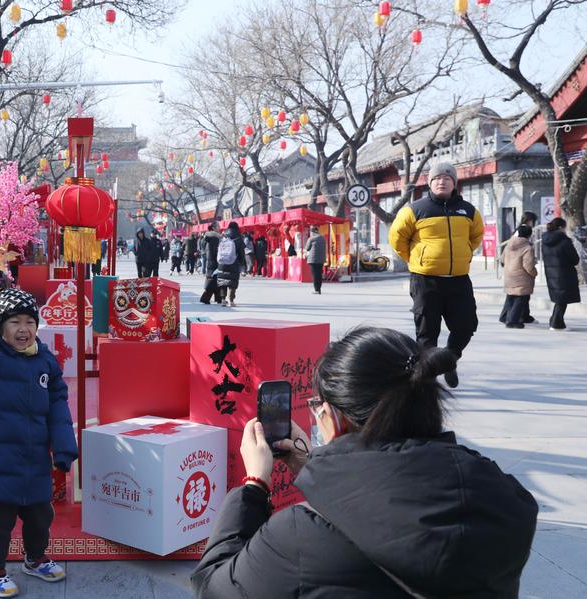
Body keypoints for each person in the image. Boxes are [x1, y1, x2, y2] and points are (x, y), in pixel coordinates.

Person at [191, 326, 538, 599]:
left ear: (334, 419)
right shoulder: (504, 499)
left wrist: (255, 486)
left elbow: (214, 586)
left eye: (318, 407)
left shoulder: (302, 536)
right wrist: (313, 468)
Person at [0, 275, 78, 598]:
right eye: (15, 322)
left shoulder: (46, 361)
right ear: (0, 327)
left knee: (40, 516)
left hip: (34, 458)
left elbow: (58, 406)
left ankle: (35, 559)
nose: (23, 329)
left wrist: (64, 448)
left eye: (29, 322)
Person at [388, 161, 483, 388]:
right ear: (430, 183)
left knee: (467, 325)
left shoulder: (468, 210)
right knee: (427, 333)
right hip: (425, 280)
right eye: (438, 178)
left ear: (454, 184)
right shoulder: (415, 209)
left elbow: (476, 235)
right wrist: (415, 259)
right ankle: (428, 378)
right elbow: (396, 238)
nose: (442, 181)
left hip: (458, 280)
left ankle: (449, 359)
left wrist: (465, 253)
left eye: (447, 178)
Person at [542, 217, 581, 330]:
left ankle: (556, 322)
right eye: (565, 227)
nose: (566, 230)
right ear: (560, 228)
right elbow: (575, 259)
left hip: (551, 274)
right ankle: (556, 324)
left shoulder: (545, 241)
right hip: (564, 274)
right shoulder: (565, 241)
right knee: (562, 300)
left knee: (560, 299)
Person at [499, 225, 537, 328]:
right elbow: (528, 266)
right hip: (521, 277)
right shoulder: (527, 247)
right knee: (521, 299)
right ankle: (512, 321)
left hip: (509, 275)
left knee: (511, 297)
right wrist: (534, 273)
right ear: (529, 235)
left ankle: (505, 316)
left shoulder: (509, 244)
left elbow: (502, 260)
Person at [215, 221, 246, 307]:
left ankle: (223, 299)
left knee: (222, 281)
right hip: (233, 262)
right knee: (232, 282)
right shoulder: (238, 238)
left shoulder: (223, 237)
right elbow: (241, 253)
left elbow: (218, 250)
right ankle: (231, 300)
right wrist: (241, 263)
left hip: (222, 262)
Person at [199, 222, 223, 304]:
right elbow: (215, 251)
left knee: (216, 279)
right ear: (214, 228)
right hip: (214, 261)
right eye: (218, 226)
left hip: (210, 260)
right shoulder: (214, 238)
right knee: (213, 279)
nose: (219, 228)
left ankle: (219, 298)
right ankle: (205, 298)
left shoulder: (207, 237)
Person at [304, 225, 326, 294]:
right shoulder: (323, 238)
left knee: (314, 275)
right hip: (321, 259)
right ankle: (319, 289)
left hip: (313, 260)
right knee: (319, 274)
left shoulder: (311, 239)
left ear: (312, 232)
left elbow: (307, 248)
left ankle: (316, 290)